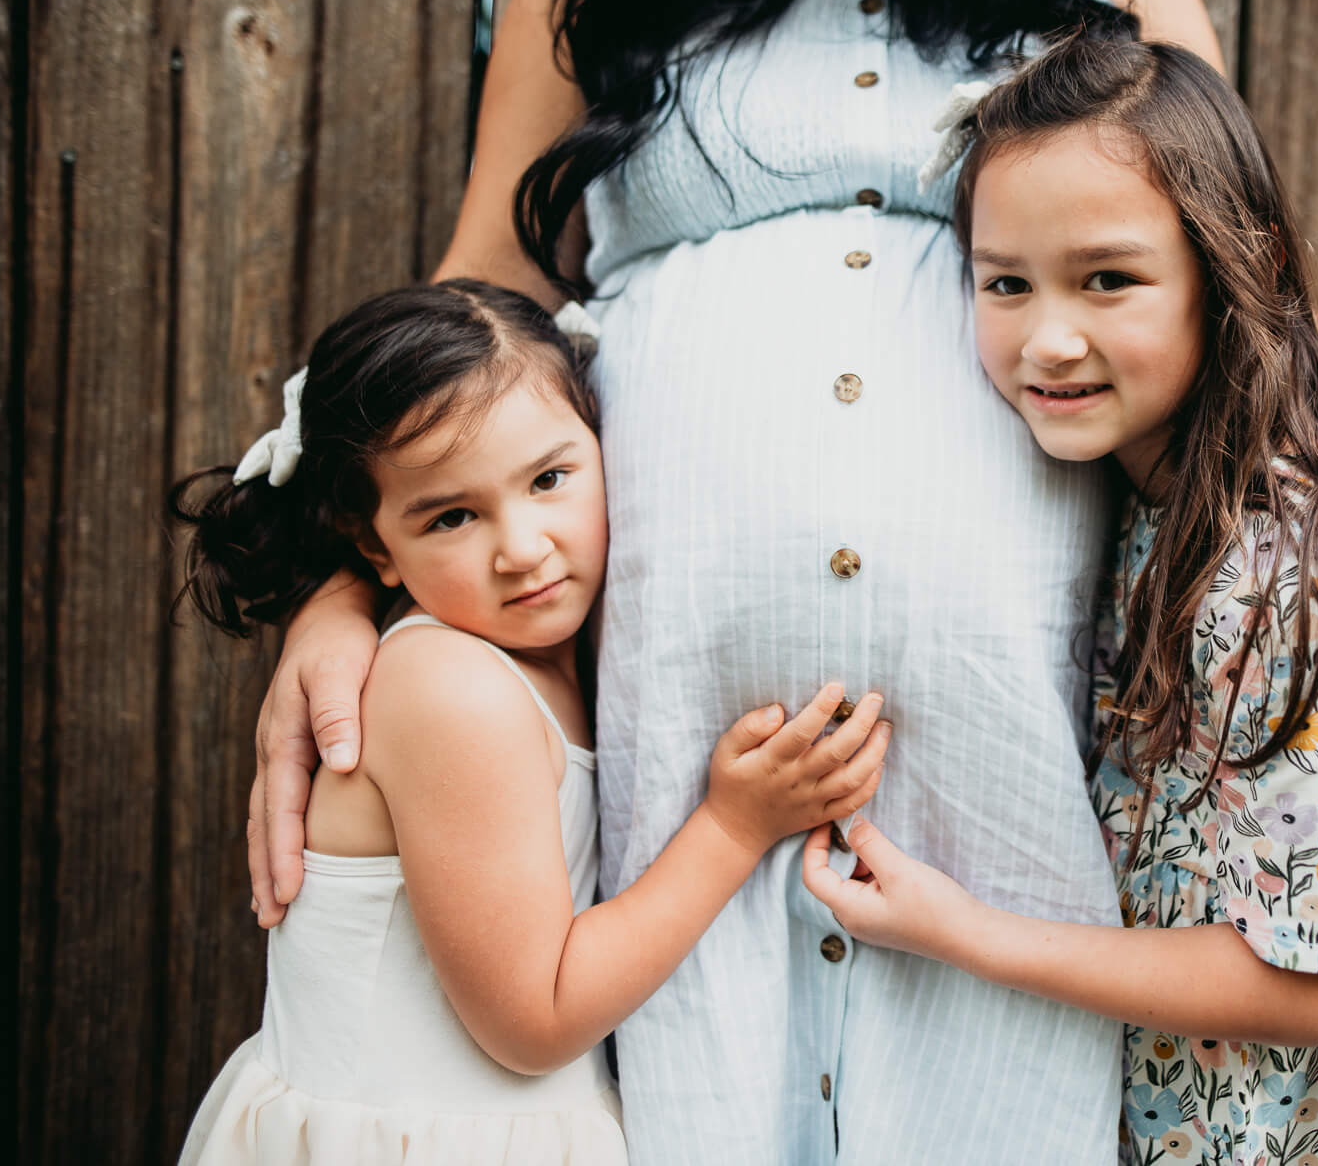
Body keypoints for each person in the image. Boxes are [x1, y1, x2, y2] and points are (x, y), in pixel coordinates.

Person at [245, 0, 1318, 1159]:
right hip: (689, 741)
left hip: (1003, 734)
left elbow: (1243, 266)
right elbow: (479, 299)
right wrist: (345, 581)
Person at [801, 35, 1318, 1164]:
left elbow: (1312, 986)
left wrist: (964, 931)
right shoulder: (1155, 494)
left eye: (1108, 278)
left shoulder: (1288, 574)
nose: (1047, 337)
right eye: (1005, 282)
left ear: (1235, 267)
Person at [172, 280, 888, 1163]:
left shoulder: (535, 656)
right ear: (374, 545)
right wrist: (735, 825)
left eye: (549, 479)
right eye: (452, 515)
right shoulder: (448, 687)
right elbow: (536, 1018)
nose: (521, 547)